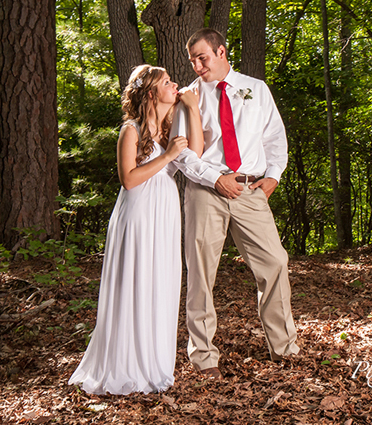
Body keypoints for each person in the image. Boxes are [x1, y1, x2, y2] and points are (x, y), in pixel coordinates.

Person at [171, 28, 299, 380]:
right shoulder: (189, 97)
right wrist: (215, 178)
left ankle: (284, 347)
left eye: (203, 58)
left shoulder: (255, 89)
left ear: (222, 51)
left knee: (275, 262)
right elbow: (180, 152)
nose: (197, 66)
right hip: (204, 191)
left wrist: (272, 176)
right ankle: (203, 357)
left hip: (249, 190)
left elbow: (275, 137)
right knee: (200, 273)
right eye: (192, 60)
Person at [68, 65, 202, 395]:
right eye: (168, 82)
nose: (175, 85)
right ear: (152, 94)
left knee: (161, 282)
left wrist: (194, 110)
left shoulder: (171, 129)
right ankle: (125, 365)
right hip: (139, 212)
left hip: (165, 213)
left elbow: (196, 156)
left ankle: (154, 365)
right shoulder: (131, 130)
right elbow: (129, 179)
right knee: (136, 280)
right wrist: (168, 155)